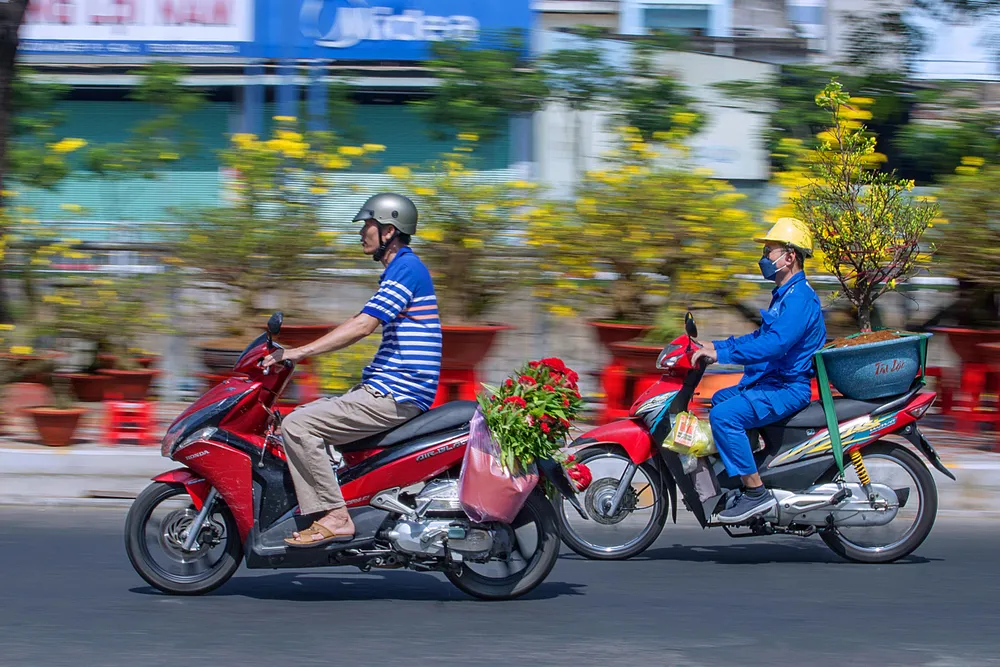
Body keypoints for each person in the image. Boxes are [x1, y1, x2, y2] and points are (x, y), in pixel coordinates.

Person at [262, 193, 441, 547]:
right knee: (297, 417)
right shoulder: (400, 269)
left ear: (389, 230)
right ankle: (342, 502)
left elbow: (362, 326)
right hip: (390, 388)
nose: (362, 233)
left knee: (298, 426)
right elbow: (362, 321)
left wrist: (298, 353)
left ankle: (335, 516)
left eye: (367, 226)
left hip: (397, 392)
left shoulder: (406, 268)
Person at [691, 217, 827, 524]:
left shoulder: (800, 299)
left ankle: (756, 494)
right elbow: (761, 338)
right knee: (722, 399)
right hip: (772, 382)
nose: (764, 259)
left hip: (787, 388)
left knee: (725, 417)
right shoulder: (785, 294)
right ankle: (751, 472)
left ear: (790, 257)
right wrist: (716, 346)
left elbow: (774, 345)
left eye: (770, 252)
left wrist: (723, 352)